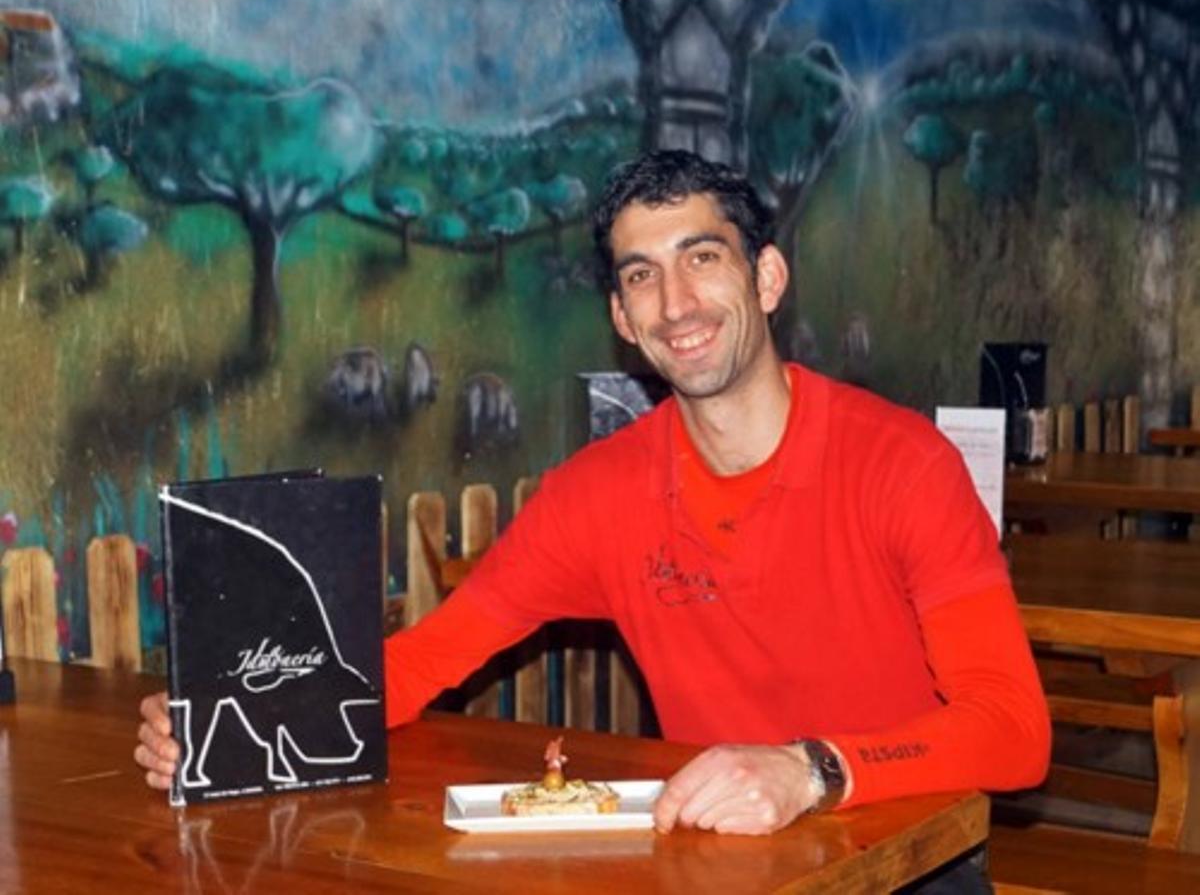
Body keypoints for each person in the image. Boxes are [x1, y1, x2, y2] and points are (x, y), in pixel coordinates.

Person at [137, 150, 1048, 854]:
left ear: (767, 279)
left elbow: (1014, 730)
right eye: (641, 275)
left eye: (702, 257)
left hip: (904, 855)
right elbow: (426, 660)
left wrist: (811, 769)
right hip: (716, 862)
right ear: (620, 316)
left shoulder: (901, 465)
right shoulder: (599, 493)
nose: (676, 302)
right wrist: (236, 721)